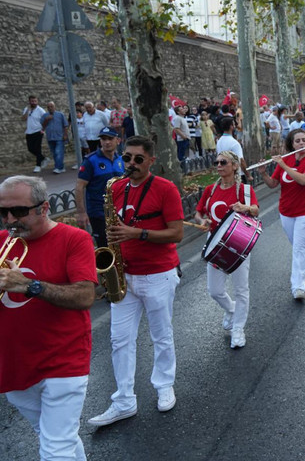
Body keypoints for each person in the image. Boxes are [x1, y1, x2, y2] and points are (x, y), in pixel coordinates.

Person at [88, 135, 184, 427]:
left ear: (151, 160)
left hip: (158, 273)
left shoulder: (165, 189)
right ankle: (123, 400)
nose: (131, 164)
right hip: (124, 274)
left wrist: (137, 234)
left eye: (138, 159)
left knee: (161, 334)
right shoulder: (115, 188)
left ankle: (164, 384)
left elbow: (177, 233)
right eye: (126, 158)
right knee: (119, 341)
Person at [0, 176, 97, 460]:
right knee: (54, 438)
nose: (9, 220)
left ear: (44, 208)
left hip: (63, 360)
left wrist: (29, 286)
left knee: (56, 448)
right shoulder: (2, 241)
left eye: (18, 212)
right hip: (15, 363)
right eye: (2, 212)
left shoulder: (74, 239)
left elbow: (84, 297)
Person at [194, 150, 259, 349]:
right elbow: (198, 212)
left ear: (234, 165)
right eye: (217, 162)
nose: (219, 165)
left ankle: (238, 329)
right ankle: (232, 310)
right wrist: (201, 220)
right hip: (214, 241)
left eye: (223, 162)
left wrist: (245, 208)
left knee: (241, 289)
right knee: (214, 290)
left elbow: (256, 209)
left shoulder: (244, 190)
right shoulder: (210, 190)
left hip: (238, 240)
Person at [258, 129, 305, 300]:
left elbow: (304, 180)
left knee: (299, 248)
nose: (301, 143)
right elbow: (273, 184)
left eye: (304, 140)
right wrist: (263, 172)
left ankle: (298, 287)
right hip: (286, 211)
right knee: (299, 246)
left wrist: (284, 165)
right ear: (292, 144)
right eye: (297, 141)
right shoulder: (287, 159)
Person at [75, 128, 126, 248]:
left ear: (118, 140)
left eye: (110, 139)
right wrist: (81, 212)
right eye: (103, 139)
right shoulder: (91, 160)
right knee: (105, 247)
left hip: (119, 211)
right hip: (98, 212)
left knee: (121, 246)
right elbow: (79, 187)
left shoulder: (121, 160)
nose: (107, 142)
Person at [216, 117, 251, 183]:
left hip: (225, 173)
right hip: (237, 174)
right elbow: (241, 160)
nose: (235, 126)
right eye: (234, 124)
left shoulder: (219, 141)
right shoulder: (234, 143)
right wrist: (248, 175)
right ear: (231, 127)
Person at [41, 101, 69, 174]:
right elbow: (43, 127)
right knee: (54, 153)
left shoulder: (60, 115)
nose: (50, 108)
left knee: (58, 152)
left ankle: (58, 168)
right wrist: (47, 120)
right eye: (48, 107)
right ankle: (61, 167)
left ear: (54, 107)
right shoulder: (45, 116)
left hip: (59, 137)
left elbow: (65, 125)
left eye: (51, 106)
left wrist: (65, 135)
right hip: (50, 137)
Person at [22, 95, 47, 173]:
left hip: (38, 131)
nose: (34, 102)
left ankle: (38, 165)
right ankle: (43, 158)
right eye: (32, 101)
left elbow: (46, 120)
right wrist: (27, 110)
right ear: (29, 101)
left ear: (37, 101)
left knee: (37, 148)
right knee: (30, 149)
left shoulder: (41, 110)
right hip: (29, 132)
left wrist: (43, 130)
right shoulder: (27, 109)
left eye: (35, 101)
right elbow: (23, 118)